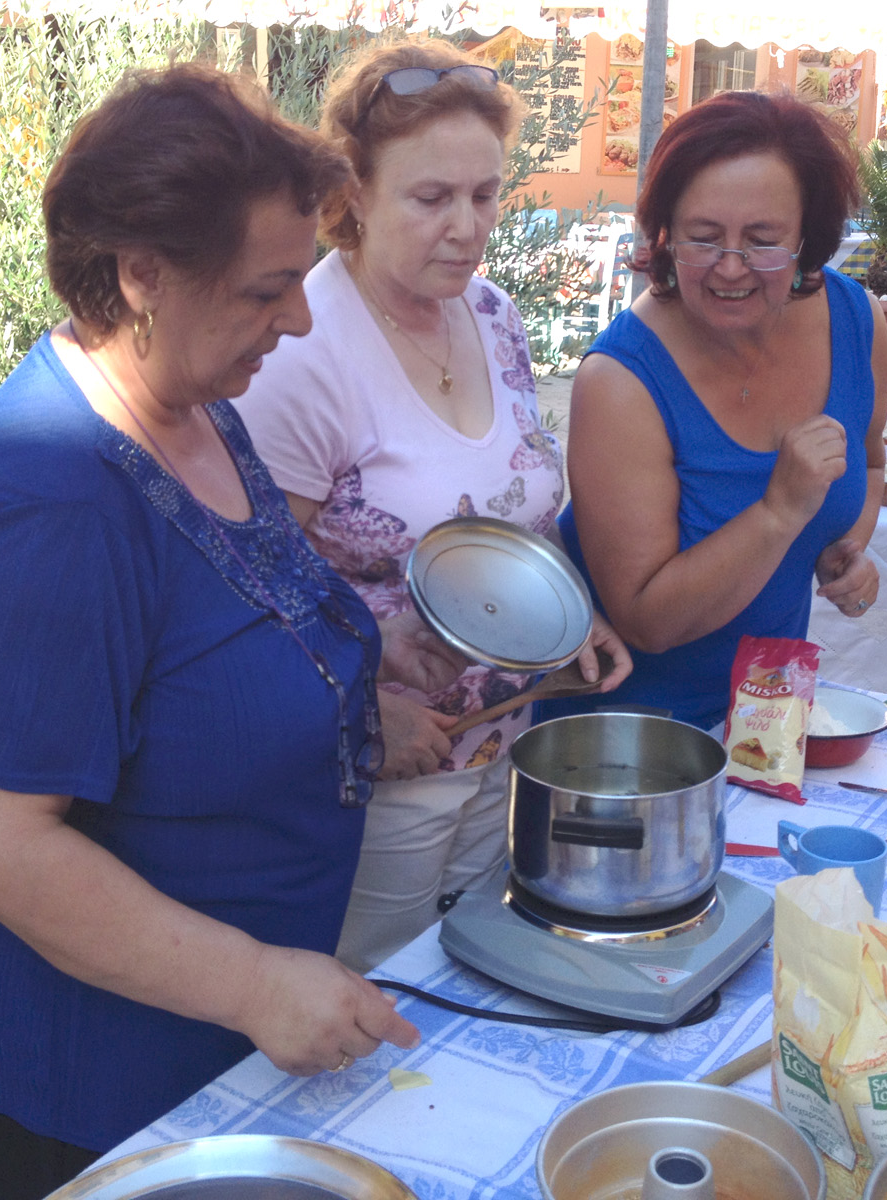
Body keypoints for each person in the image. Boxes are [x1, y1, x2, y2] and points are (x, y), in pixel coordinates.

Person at [0, 65, 465, 1198]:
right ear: (142, 272)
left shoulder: (191, 400)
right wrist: (256, 984)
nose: (298, 319)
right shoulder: (50, 504)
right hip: (82, 1063)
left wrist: (358, 658)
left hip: (192, 1030)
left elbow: (241, 593)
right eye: (267, 292)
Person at [234, 38, 630, 972]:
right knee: (378, 1001)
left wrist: (570, 614)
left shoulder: (493, 317)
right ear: (354, 194)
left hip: (508, 743)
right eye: (431, 198)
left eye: (485, 195)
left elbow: (514, 513)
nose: (468, 226)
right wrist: (364, 706)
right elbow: (246, 594)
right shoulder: (302, 353)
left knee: (471, 975)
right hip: (381, 777)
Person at [540, 89, 887, 732]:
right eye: (703, 238)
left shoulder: (856, 322)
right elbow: (647, 620)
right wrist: (780, 512)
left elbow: (867, 466)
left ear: (807, 236)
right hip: (628, 741)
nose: (731, 268)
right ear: (665, 234)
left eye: (762, 241)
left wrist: (845, 550)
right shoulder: (621, 378)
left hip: (767, 723)